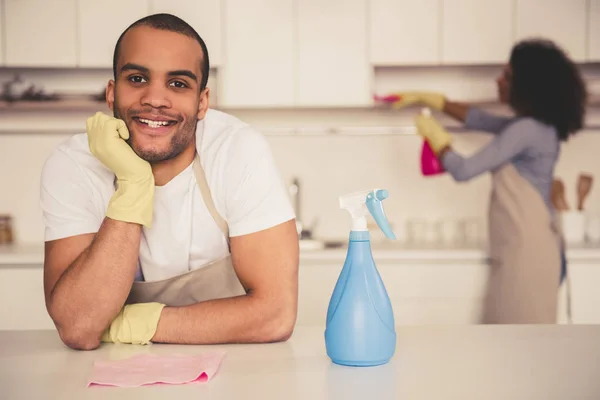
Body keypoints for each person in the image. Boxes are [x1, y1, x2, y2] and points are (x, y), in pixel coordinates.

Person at [40, 13, 299, 350]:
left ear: (202, 102)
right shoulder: (74, 164)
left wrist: (136, 323)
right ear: (111, 93)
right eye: (137, 78)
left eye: (178, 84)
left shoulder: (236, 150)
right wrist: (134, 183)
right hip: (114, 376)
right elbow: (77, 325)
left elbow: (275, 314)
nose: (155, 99)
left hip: (234, 374)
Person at [385, 38, 587, 324]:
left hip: (527, 256)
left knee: (515, 346)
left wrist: (437, 138)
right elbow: (480, 120)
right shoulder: (534, 128)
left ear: (527, 84)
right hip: (531, 250)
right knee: (520, 346)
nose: (499, 80)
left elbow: (464, 170)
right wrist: (434, 100)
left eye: (507, 74)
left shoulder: (526, 130)